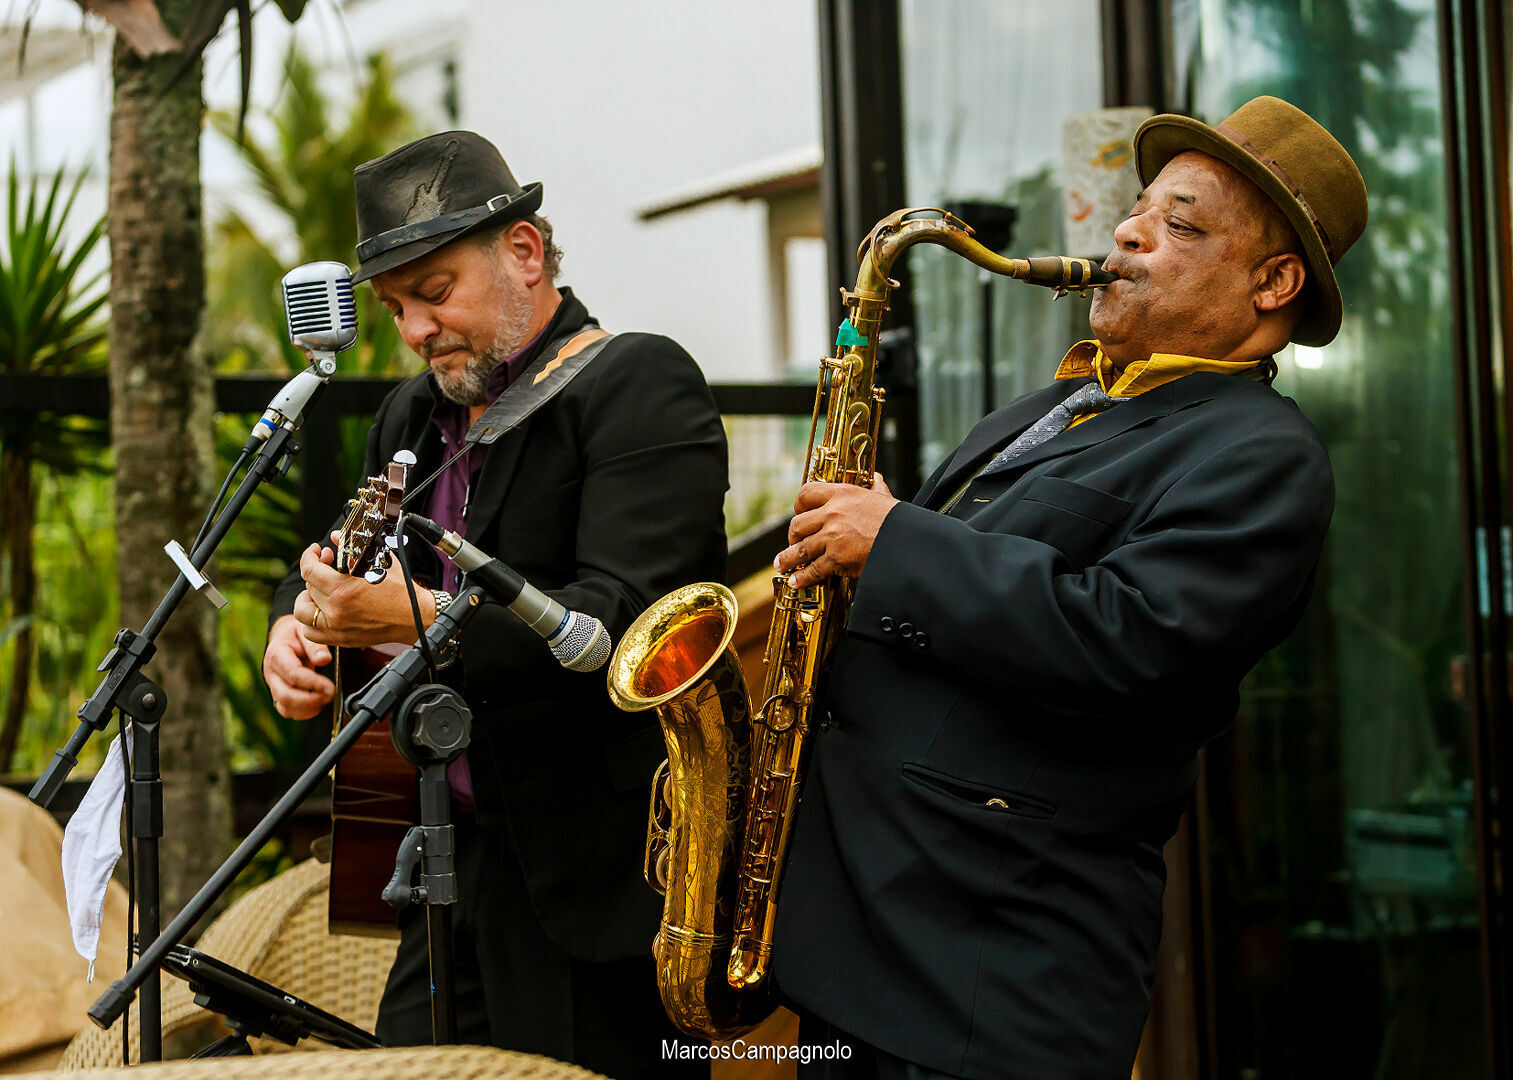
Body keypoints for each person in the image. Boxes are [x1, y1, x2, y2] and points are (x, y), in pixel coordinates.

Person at [768, 96, 1366, 1080]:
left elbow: (1134, 640)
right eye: (1139, 208)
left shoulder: (1264, 451)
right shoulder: (1058, 405)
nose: (1128, 231)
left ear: (1273, 282)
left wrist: (896, 545)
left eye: (1178, 225)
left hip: (989, 972)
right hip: (869, 938)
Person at [261, 131, 726, 1079]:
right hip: (433, 850)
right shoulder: (408, 413)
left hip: (585, 872)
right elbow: (338, 561)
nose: (417, 331)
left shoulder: (637, 382)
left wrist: (414, 619)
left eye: (434, 294)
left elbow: (632, 616)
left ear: (525, 253)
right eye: (396, 308)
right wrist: (293, 626)